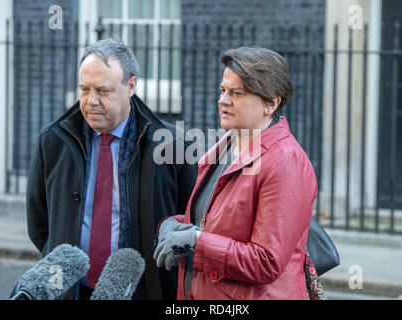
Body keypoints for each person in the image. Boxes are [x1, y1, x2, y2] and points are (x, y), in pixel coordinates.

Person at [25, 38, 197, 300]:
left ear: (130, 86)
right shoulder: (52, 141)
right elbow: (40, 224)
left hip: (143, 290)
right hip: (70, 290)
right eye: (84, 89)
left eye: (103, 91)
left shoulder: (175, 145)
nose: (91, 101)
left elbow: (189, 220)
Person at [153, 46, 318, 299]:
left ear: (271, 103)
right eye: (223, 90)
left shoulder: (285, 161)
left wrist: (198, 242)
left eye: (237, 93)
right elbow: (214, 223)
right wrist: (172, 225)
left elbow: (267, 261)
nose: (223, 100)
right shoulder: (226, 147)